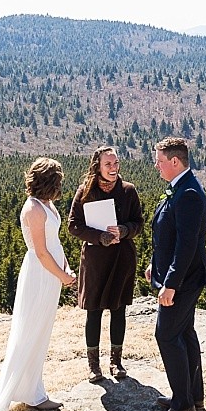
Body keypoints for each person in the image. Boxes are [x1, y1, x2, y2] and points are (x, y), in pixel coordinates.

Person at [0, 157, 77, 411]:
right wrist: (62, 275)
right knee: (31, 329)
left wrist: (66, 267)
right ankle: (26, 392)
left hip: (52, 270)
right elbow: (40, 252)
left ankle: (33, 389)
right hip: (40, 274)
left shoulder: (46, 204)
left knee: (42, 330)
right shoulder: (33, 209)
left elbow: (54, 242)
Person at [144, 137, 206, 411]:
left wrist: (170, 283)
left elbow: (186, 245)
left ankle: (183, 405)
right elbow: (168, 236)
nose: (156, 165)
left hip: (184, 280)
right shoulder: (179, 188)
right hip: (179, 275)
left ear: (175, 161)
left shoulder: (189, 194)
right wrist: (154, 266)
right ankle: (191, 394)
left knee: (167, 335)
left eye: (159, 161)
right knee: (184, 333)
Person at [67, 146, 144, 381]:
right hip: (95, 260)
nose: (113, 168)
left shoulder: (128, 191)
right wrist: (99, 237)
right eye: (108, 164)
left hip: (122, 258)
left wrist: (124, 230)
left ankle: (116, 362)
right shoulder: (85, 191)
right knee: (94, 312)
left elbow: (139, 223)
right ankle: (93, 366)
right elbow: (74, 225)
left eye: (116, 163)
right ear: (97, 166)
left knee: (118, 310)